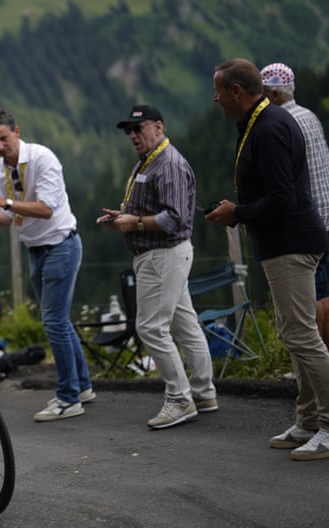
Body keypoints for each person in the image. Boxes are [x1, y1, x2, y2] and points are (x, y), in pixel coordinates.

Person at [207, 58, 329, 460]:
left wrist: (235, 213)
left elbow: (281, 198)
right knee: (296, 331)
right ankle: (309, 419)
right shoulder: (265, 121)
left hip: (291, 242)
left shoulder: (270, 127)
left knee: (303, 336)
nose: (216, 98)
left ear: (237, 91)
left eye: (219, 90)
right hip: (285, 243)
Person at [0, 108, 94, 422]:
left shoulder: (42, 158)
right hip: (35, 248)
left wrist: (4, 201)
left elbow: (46, 209)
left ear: (17, 132)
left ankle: (68, 397)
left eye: (4, 139)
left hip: (61, 243)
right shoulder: (0, 169)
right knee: (59, 321)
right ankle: (83, 386)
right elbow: (8, 219)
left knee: (53, 322)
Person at [97, 104, 217, 429]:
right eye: (129, 131)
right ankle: (204, 393)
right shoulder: (151, 161)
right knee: (185, 324)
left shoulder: (169, 164)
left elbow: (174, 217)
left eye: (140, 128)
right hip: (161, 254)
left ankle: (180, 399)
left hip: (163, 255)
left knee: (150, 327)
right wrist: (122, 220)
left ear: (159, 128)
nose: (133, 135)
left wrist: (133, 223)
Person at [259, 62, 329, 375]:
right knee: (320, 288)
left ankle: (314, 362)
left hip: (305, 216)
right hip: (326, 211)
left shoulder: (282, 121)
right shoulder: (309, 115)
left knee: (308, 292)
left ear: (272, 93)